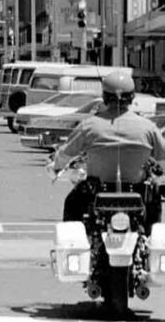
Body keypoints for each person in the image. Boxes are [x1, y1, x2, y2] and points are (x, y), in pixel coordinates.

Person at [52, 72, 165, 225]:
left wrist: (56, 167)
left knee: (72, 204)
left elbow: (64, 155)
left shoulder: (89, 125)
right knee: (154, 201)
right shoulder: (148, 127)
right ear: (132, 97)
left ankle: (74, 249)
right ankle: (149, 236)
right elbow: (163, 159)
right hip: (138, 193)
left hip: (95, 192)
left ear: (105, 96)